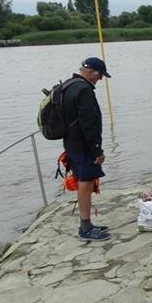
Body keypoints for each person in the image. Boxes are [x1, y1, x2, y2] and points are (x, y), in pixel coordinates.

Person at [62, 57, 111, 242]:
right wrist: (97, 150)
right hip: (83, 146)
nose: (100, 80)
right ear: (92, 72)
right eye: (100, 76)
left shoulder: (69, 85)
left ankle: (87, 224)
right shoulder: (83, 90)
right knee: (86, 181)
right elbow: (88, 123)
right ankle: (85, 227)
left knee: (85, 180)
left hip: (71, 143)